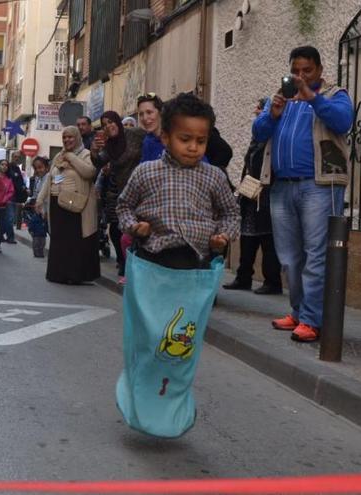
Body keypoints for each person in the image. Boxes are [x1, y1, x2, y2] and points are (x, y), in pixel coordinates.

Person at [115, 92, 239, 438]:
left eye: (201, 140)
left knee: (180, 347)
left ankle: (174, 404)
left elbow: (231, 214)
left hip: (193, 273)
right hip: (153, 267)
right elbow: (123, 207)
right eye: (185, 139)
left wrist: (223, 238)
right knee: (150, 341)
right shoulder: (145, 173)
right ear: (165, 136)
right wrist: (133, 226)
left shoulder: (214, 177)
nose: (193, 147)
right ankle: (138, 398)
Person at [251, 45, 353, 343]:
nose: (300, 76)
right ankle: (298, 313)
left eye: (306, 71)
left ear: (319, 70)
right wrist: (271, 114)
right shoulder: (279, 99)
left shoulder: (335, 95)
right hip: (282, 186)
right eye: (295, 71)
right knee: (289, 257)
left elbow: (343, 121)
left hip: (319, 186)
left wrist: (314, 99)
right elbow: (258, 134)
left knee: (316, 255)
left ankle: (311, 319)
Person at [225, 98, 282, 294]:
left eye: (261, 108)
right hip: (251, 195)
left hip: (266, 195)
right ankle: (243, 277)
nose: (256, 111)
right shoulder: (256, 139)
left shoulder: (273, 138)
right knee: (247, 238)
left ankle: (272, 282)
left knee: (268, 240)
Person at [36, 125, 100, 284]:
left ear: (78, 137)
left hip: (77, 205)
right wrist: (40, 199)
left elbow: (89, 172)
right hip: (58, 204)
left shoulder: (86, 154)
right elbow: (51, 178)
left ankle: (74, 275)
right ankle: (58, 274)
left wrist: (71, 157)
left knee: (74, 242)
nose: (67, 140)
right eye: (65, 137)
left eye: (70, 137)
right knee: (59, 242)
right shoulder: (59, 156)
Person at [92, 110, 146, 284]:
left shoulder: (134, 134)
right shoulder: (110, 146)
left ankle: (136, 273)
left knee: (136, 235)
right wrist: (94, 150)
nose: (108, 126)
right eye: (104, 124)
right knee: (127, 235)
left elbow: (154, 139)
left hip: (145, 190)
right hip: (126, 194)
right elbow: (99, 162)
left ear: (118, 122)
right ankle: (130, 270)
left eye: (111, 122)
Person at [26, 156, 50, 257]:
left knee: (43, 231)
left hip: (47, 209)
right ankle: (38, 251)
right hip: (39, 209)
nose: (38, 170)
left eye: (40, 167)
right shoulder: (37, 178)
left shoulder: (49, 177)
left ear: (47, 167)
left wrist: (45, 210)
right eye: (36, 168)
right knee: (37, 230)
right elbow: (36, 193)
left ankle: (40, 251)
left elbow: (47, 196)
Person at [0, 159, 15, 253]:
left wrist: (3, 200)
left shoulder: (9, 180)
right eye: (2, 164)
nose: (4, 166)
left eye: (6, 165)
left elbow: (10, 192)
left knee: (2, 226)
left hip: (3, 206)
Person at [138, 92, 165, 162]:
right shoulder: (147, 141)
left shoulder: (175, 138)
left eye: (149, 112)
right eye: (141, 114)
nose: (145, 118)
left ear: (161, 112)